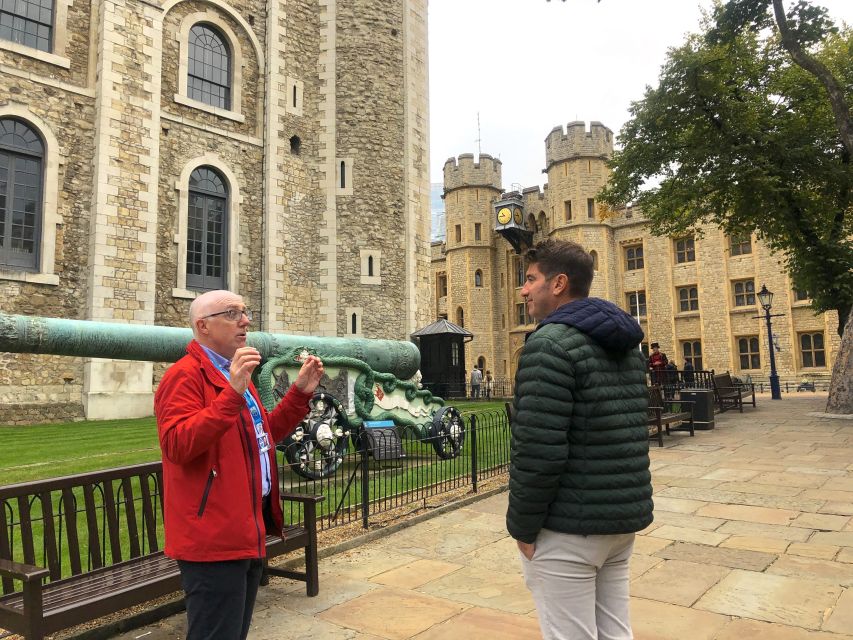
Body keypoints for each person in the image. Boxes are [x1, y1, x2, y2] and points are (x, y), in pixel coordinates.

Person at [154, 290, 324, 640]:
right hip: (212, 539)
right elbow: (177, 445)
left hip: (246, 530)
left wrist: (299, 393)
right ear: (203, 326)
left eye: (245, 312)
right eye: (232, 313)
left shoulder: (236, 373)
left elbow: (264, 435)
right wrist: (231, 393)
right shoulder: (185, 376)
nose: (245, 320)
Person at [507, 239, 652, 640]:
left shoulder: (549, 344)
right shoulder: (624, 345)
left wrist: (522, 526)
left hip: (569, 526)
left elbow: (539, 452)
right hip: (619, 519)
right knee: (615, 634)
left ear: (558, 284)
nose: (523, 289)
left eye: (530, 279)